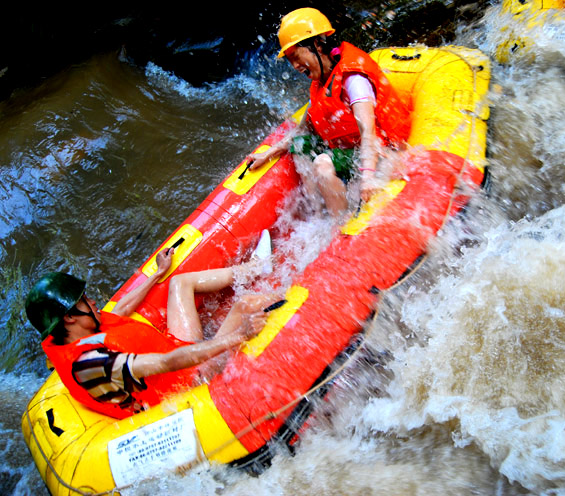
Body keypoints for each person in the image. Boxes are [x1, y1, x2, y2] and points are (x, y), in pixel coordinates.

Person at [25, 231, 278, 419]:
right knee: (244, 306)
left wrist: (158, 273)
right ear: (69, 317)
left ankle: (256, 267)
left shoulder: (79, 332)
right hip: (187, 384)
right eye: (83, 300)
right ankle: (307, 287)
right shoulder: (93, 364)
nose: (91, 301)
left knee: (179, 283)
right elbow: (166, 363)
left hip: (176, 353)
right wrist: (238, 335)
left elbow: (120, 310)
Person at [247, 7, 411, 216]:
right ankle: (316, 211)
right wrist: (268, 154)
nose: (295, 66)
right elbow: (302, 131)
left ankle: (339, 227)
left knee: (322, 163)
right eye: (290, 60)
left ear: (317, 44)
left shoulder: (353, 80)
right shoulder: (321, 83)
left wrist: (368, 178)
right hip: (352, 153)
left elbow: (368, 132)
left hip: (382, 154)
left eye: (296, 56)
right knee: (300, 144)